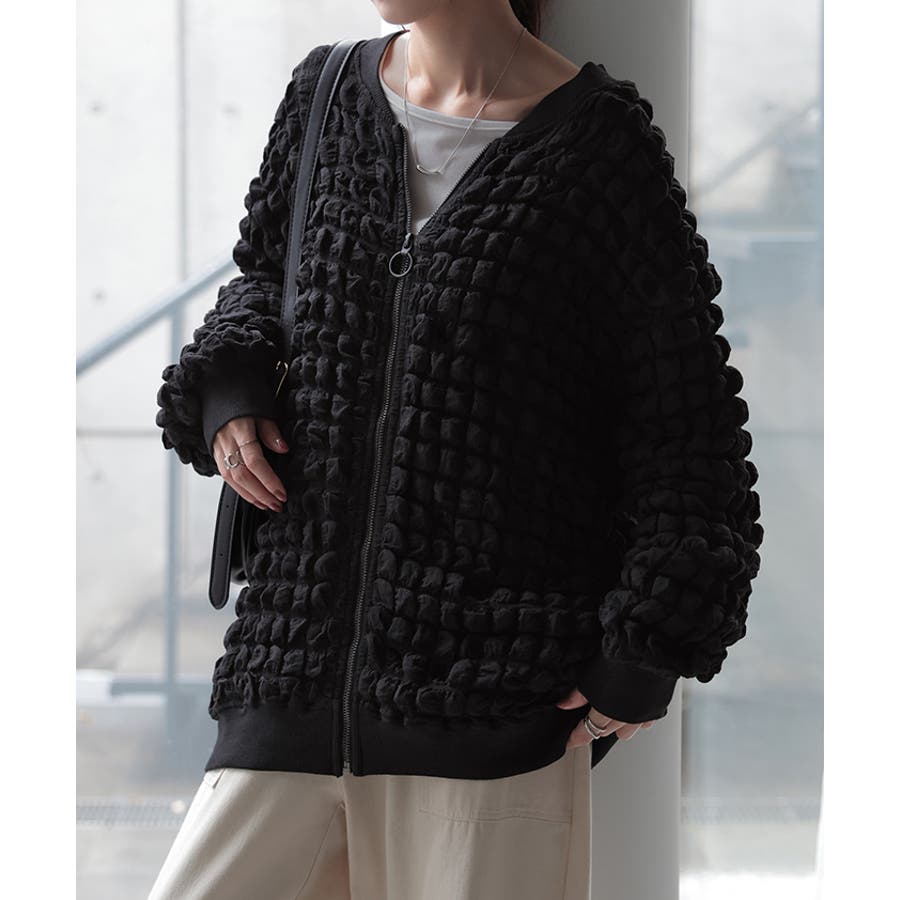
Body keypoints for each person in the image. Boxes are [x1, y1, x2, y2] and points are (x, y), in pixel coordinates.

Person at [149, 1, 764, 898]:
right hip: (289, 678)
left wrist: (648, 646)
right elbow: (264, 280)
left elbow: (687, 423)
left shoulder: (599, 147)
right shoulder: (325, 94)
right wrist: (230, 386)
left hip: (491, 710)